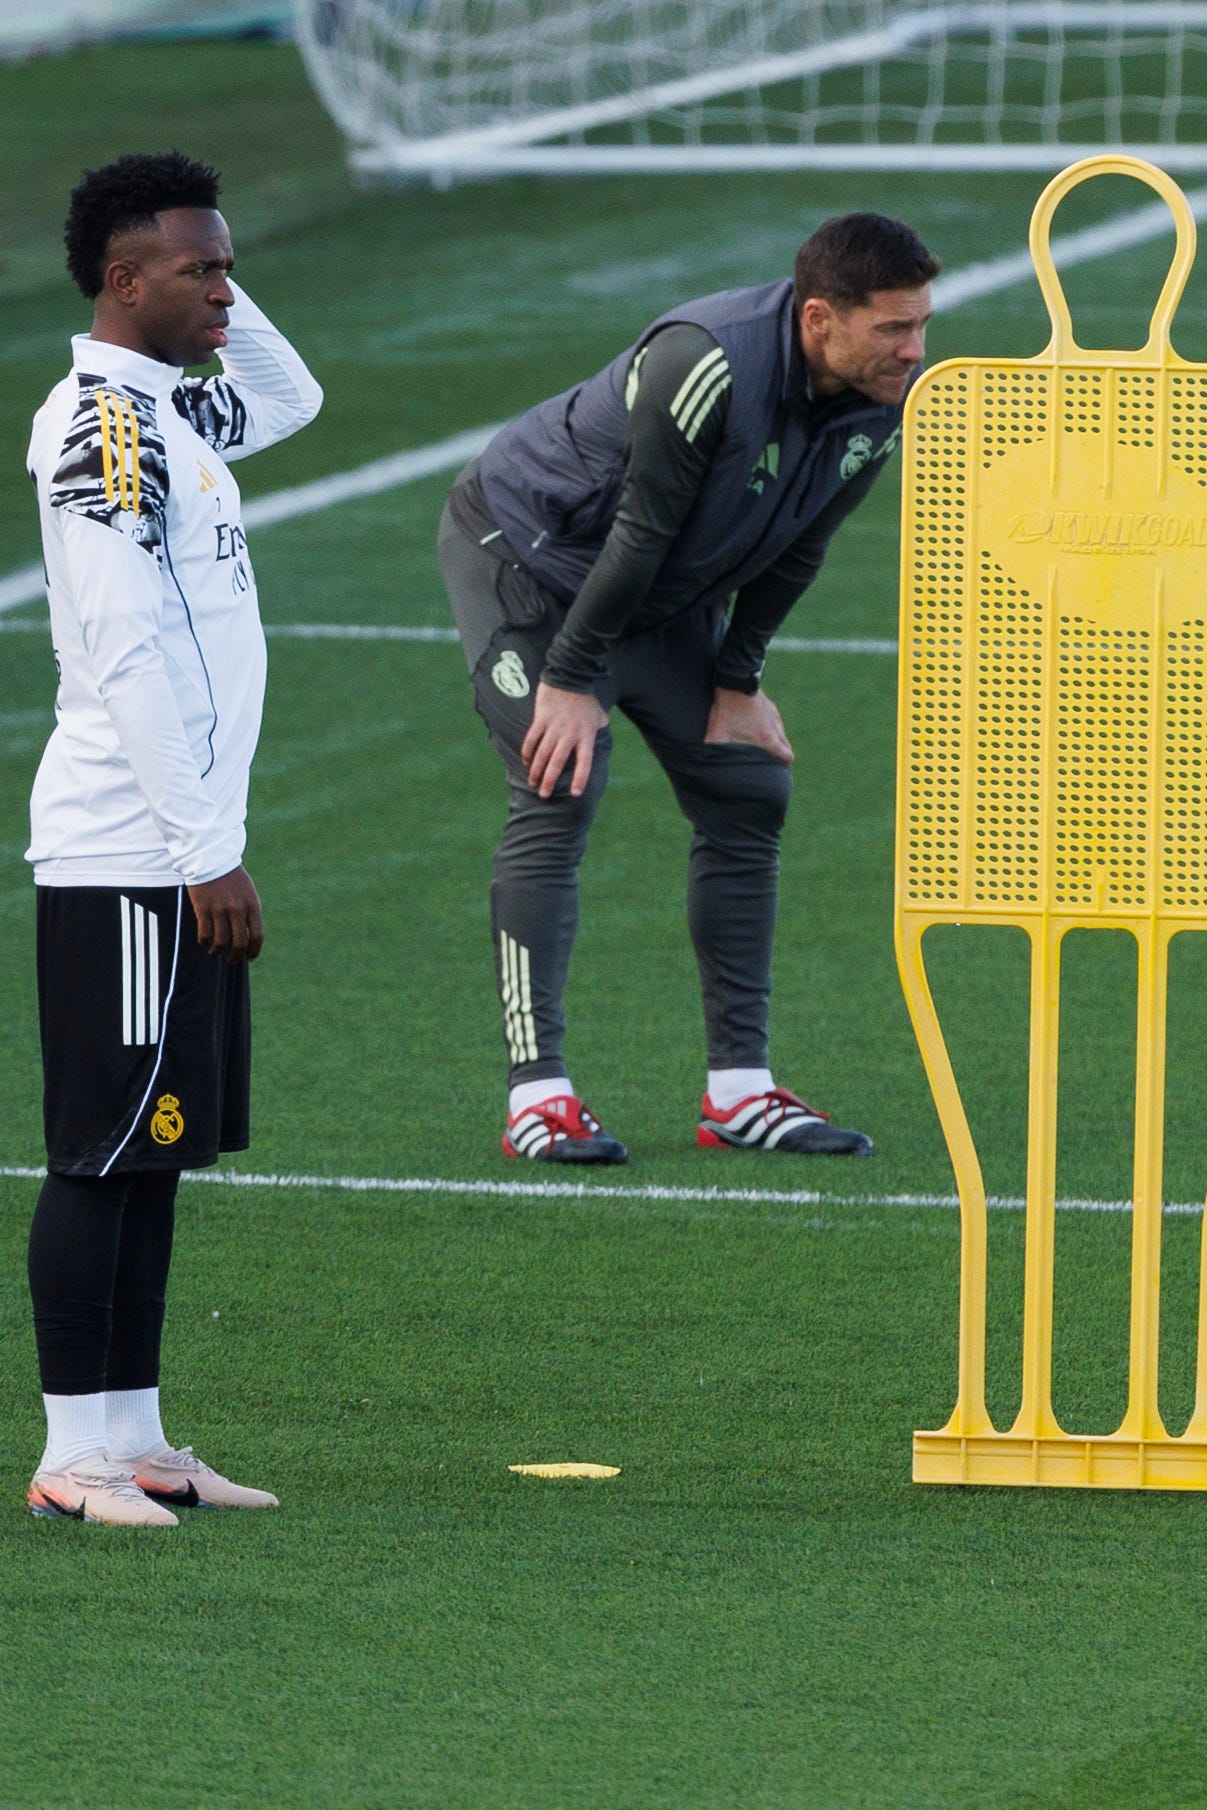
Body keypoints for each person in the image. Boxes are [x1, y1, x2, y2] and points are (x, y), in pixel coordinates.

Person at [439, 213, 939, 1166]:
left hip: (656, 591)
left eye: (920, 325)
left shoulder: (884, 396)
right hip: (529, 568)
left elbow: (801, 543)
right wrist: (569, 678)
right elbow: (639, 529)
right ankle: (537, 1095)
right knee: (558, 782)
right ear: (819, 318)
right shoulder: (702, 361)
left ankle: (738, 1093)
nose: (914, 351)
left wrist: (738, 680)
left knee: (745, 787)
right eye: (892, 329)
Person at [23, 152, 322, 1526]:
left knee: (153, 1149)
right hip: (129, 849)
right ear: (121, 279)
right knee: (101, 1152)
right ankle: (68, 1455)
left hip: (173, 842)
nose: (225, 291)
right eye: (200, 270)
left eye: (229, 265)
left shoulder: (170, 408)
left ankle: (136, 1436)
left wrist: (210, 285)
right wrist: (203, 847)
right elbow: (128, 650)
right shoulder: (104, 431)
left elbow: (290, 398)